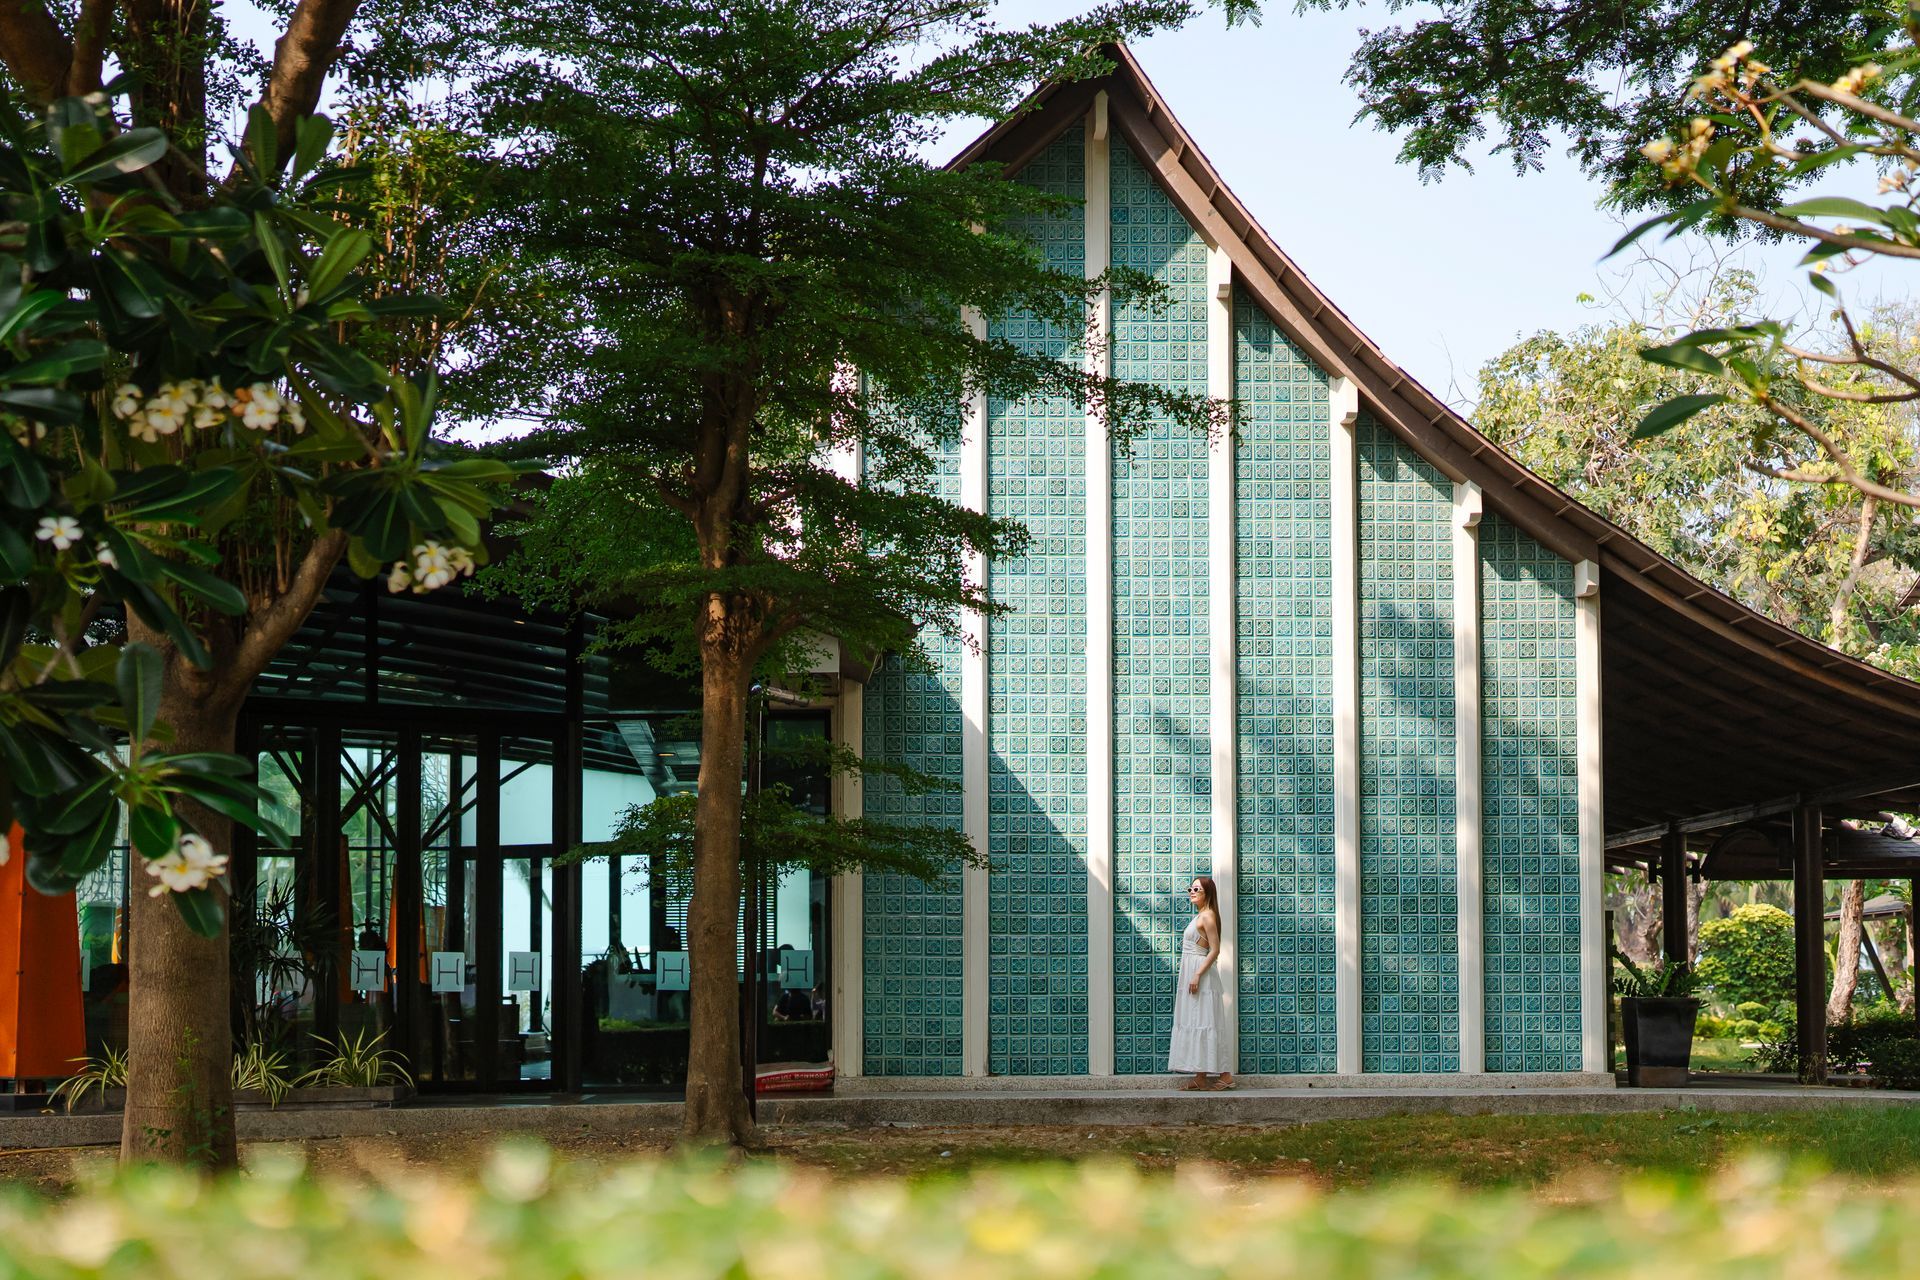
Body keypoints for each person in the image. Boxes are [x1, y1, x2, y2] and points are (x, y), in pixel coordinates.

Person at [1170, 875, 1232, 1091]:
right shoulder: (1200, 916)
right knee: (1197, 1021)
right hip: (1193, 971)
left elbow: (1215, 950)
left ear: (1207, 893)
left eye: (1197, 889)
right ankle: (1200, 1076)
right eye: (1190, 888)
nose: (1192, 892)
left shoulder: (1207, 917)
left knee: (1206, 1022)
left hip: (1201, 975)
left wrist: (1196, 974)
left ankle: (1225, 1075)